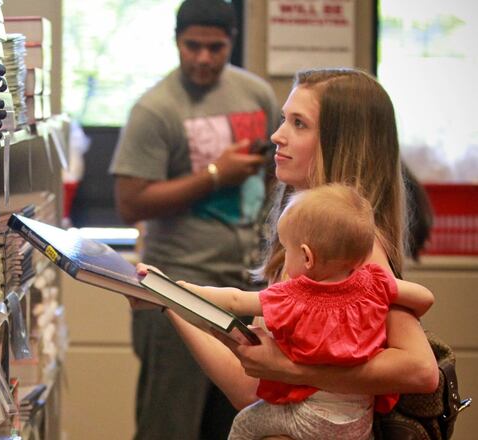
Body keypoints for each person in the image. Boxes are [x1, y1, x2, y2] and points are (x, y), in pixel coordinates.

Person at [135, 68, 439, 438]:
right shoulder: (305, 242)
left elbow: (421, 370)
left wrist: (292, 371)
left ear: (341, 143)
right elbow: (252, 391)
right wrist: (171, 299)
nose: (277, 136)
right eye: (284, 119)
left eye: (299, 124)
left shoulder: (352, 252)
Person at [109, 0, 280, 438]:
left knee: (239, 426)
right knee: (170, 425)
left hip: (246, 288)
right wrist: (214, 175)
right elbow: (131, 202)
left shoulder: (256, 94)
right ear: (176, 42)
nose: (204, 57)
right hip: (178, 287)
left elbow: (275, 174)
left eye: (216, 47)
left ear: (232, 43)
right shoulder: (155, 108)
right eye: (193, 46)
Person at [177, 183, 434, 439]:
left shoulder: (295, 296)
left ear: (307, 257)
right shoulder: (373, 284)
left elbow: (235, 300)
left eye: (287, 249)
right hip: (358, 423)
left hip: (310, 419)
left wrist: (185, 290)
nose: (285, 258)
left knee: (245, 423)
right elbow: (425, 299)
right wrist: (391, 293)